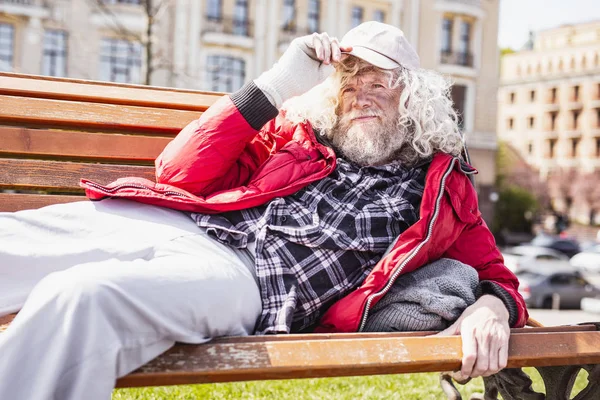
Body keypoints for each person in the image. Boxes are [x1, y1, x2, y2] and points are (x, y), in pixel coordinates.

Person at [0, 21, 527, 400]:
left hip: (242, 278)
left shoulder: (441, 189)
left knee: (84, 298)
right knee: (11, 244)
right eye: (349, 83)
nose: (360, 96)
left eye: (378, 84)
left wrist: (491, 308)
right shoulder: (295, 134)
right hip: (180, 222)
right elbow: (179, 176)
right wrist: (275, 86)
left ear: (411, 97)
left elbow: (496, 277)